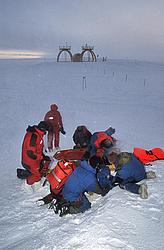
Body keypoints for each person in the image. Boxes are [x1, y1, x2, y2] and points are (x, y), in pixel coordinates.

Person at [37, 156, 113, 216]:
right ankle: (66, 208)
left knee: (76, 186)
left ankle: (51, 199)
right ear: (97, 167)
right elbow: (100, 191)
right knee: (86, 205)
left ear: (89, 161)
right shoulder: (91, 179)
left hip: (61, 188)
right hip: (70, 195)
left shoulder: (78, 164)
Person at [17, 121, 51, 185]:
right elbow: (30, 153)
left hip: (34, 159)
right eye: (45, 131)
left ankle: (32, 172)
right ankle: (27, 182)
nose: (45, 133)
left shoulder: (37, 134)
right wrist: (41, 157)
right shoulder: (34, 137)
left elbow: (37, 148)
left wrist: (43, 156)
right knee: (37, 176)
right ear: (42, 129)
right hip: (30, 161)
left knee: (47, 160)